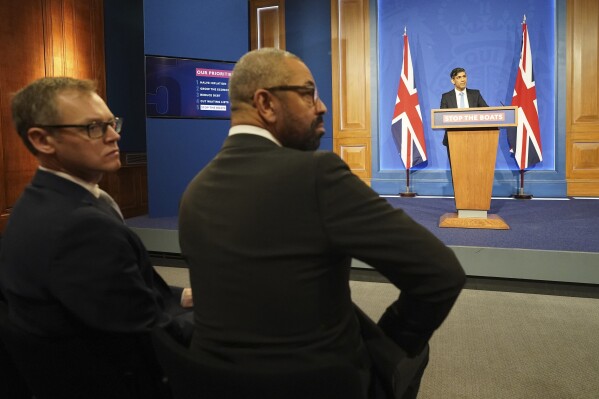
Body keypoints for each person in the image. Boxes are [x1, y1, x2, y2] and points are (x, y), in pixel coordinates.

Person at [178, 48, 465, 399]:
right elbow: (441, 274)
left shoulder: (193, 192)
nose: (322, 106)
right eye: (308, 93)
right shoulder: (317, 174)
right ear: (266, 104)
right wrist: (387, 346)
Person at [0, 77, 193, 397]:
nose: (114, 135)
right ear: (42, 140)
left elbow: (117, 296)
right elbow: (151, 337)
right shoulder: (82, 228)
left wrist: (178, 296)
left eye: (111, 123)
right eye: (93, 127)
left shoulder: (37, 202)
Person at [440, 67, 488, 161]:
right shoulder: (446, 97)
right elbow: (442, 118)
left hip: (475, 138)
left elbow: (487, 112)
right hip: (453, 138)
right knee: (456, 169)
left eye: (464, 76)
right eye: (459, 77)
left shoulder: (475, 94)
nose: (463, 79)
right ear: (453, 81)